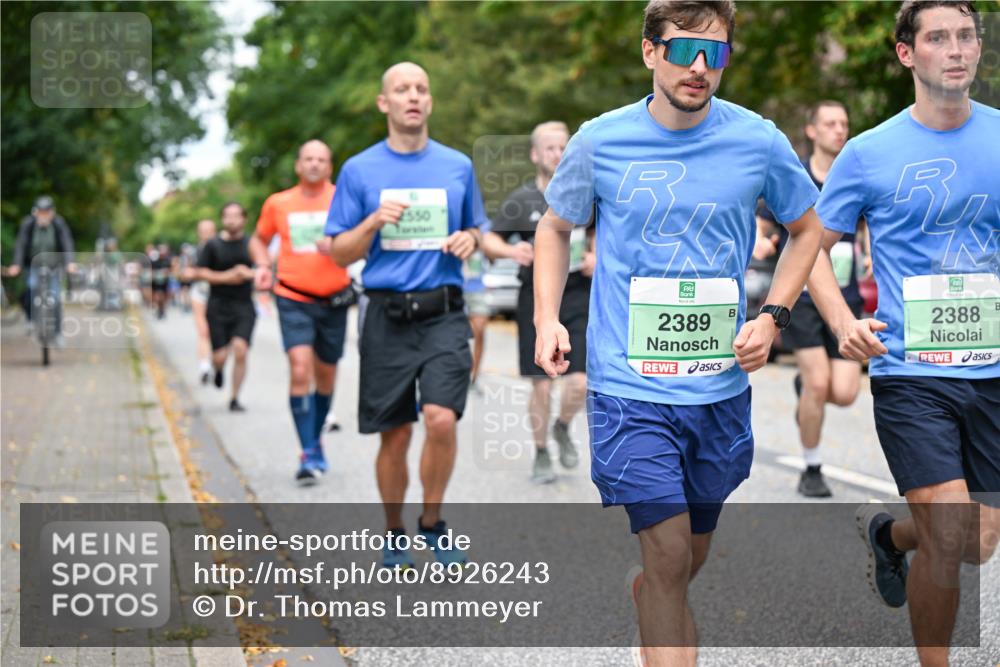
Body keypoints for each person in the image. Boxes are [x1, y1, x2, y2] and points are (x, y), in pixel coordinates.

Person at [532, 2, 824, 663]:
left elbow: (808, 229)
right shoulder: (601, 140)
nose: (699, 67)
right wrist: (548, 316)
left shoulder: (758, 140)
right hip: (629, 386)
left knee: (686, 555)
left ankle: (655, 597)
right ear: (648, 52)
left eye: (715, 53)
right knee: (665, 551)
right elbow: (555, 227)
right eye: (684, 50)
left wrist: (772, 316)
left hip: (717, 391)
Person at [807, 2, 999, 664]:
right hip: (911, 368)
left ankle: (891, 537)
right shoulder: (868, 153)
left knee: (978, 539)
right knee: (951, 532)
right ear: (906, 54)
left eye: (966, 36)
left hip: (993, 368)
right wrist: (841, 322)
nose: (956, 49)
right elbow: (808, 250)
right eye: (938, 37)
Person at [326, 62, 488, 569]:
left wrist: (473, 239)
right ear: (385, 103)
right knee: (394, 433)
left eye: (421, 89)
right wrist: (373, 220)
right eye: (402, 89)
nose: (413, 96)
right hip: (387, 315)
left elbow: (477, 228)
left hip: (442, 311)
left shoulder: (457, 165)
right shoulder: (358, 170)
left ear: (429, 103)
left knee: (440, 419)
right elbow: (338, 253)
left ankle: (432, 522)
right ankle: (394, 530)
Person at [755, 100, 869, 497]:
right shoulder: (797, 175)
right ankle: (812, 465)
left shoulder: (853, 174)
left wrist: (867, 252)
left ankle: (806, 386)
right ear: (812, 131)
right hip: (801, 298)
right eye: (830, 123)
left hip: (847, 296)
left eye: (844, 123)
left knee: (845, 391)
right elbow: (764, 220)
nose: (840, 130)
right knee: (820, 384)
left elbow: (866, 221)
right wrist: (760, 241)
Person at [482, 121, 594, 484]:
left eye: (564, 147)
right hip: (536, 297)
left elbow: (600, 235)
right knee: (542, 383)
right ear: (535, 154)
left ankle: (563, 427)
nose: (558, 154)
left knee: (580, 383)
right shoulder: (522, 200)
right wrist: (512, 250)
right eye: (550, 148)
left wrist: (595, 256)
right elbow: (489, 241)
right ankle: (542, 452)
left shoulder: (585, 195)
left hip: (578, 293)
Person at [250, 140, 353, 485]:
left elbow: (360, 241)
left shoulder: (343, 198)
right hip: (292, 296)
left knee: (325, 375)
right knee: (299, 368)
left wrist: (339, 246)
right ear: (298, 165)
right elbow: (258, 239)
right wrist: (263, 264)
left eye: (321, 159)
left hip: (334, 299)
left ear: (329, 166)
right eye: (308, 158)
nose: (314, 164)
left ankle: (316, 438)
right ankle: (308, 450)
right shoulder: (278, 203)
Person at [196, 203, 257, 412]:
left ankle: (234, 397)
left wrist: (248, 274)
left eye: (236, 216)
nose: (232, 220)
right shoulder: (212, 245)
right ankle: (218, 368)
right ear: (222, 219)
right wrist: (227, 277)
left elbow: (264, 269)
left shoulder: (252, 244)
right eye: (227, 216)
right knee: (220, 355)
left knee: (241, 350)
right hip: (217, 306)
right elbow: (200, 272)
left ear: (244, 219)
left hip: (244, 305)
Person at [10, 196, 77, 342]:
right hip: (32, 266)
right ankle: (30, 320)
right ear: (35, 212)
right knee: (30, 289)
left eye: (47, 212)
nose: (44, 215)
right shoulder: (28, 224)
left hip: (53, 267)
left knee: (56, 298)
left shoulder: (59, 224)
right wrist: (17, 264)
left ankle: (58, 334)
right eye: (41, 212)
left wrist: (70, 262)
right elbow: (21, 245)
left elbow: (67, 242)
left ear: (52, 212)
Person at [184, 219, 216, 384]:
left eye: (209, 230)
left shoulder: (221, 249)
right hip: (200, 293)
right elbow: (186, 272)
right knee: (203, 331)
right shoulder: (194, 252)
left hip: (219, 294)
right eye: (203, 230)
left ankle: (217, 364)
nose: (206, 234)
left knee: (217, 333)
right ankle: (204, 367)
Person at [462, 249, 490, 395]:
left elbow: (492, 254)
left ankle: (474, 377)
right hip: (456, 288)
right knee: (457, 334)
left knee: (479, 331)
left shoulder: (483, 229)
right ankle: (459, 375)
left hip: (477, 290)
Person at [149, 242, 172, 320]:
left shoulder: (168, 260)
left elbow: (171, 270)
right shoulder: (154, 261)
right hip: (156, 282)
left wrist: (166, 273)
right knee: (157, 296)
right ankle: (159, 310)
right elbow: (151, 270)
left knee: (164, 297)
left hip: (165, 282)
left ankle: (162, 310)